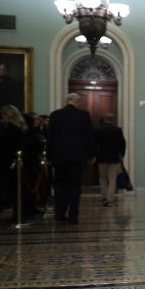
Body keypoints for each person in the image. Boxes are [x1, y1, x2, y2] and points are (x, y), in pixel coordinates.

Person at [47, 93, 94, 223]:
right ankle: (73, 215)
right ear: (78, 102)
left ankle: (59, 213)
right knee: (75, 187)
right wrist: (90, 155)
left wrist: (49, 156)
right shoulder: (84, 115)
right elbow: (88, 136)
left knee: (60, 186)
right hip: (77, 157)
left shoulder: (55, 115)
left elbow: (50, 137)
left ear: (66, 101)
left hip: (59, 157)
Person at [93, 113, 126, 207]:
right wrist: (122, 154)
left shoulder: (98, 129)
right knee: (112, 178)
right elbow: (122, 143)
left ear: (104, 119)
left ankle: (103, 196)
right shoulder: (117, 130)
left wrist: (94, 155)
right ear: (113, 119)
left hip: (101, 157)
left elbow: (94, 143)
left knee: (102, 177)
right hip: (114, 157)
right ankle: (110, 199)